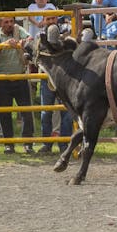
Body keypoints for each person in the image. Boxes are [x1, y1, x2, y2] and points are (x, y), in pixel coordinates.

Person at [0, 16, 35, 155]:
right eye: (6, 22)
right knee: (5, 114)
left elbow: (30, 38)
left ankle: (28, 144)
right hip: (4, 79)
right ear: (0, 23)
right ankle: (8, 144)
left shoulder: (19, 30)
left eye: (11, 21)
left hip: (20, 76)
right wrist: (5, 44)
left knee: (26, 113)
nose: (10, 24)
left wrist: (25, 41)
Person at [37, 13, 73, 155]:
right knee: (46, 112)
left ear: (56, 19)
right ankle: (47, 143)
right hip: (47, 78)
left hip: (62, 79)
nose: (51, 21)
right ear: (44, 21)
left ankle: (64, 144)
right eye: (48, 19)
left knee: (66, 112)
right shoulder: (39, 38)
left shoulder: (65, 33)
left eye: (53, 18)